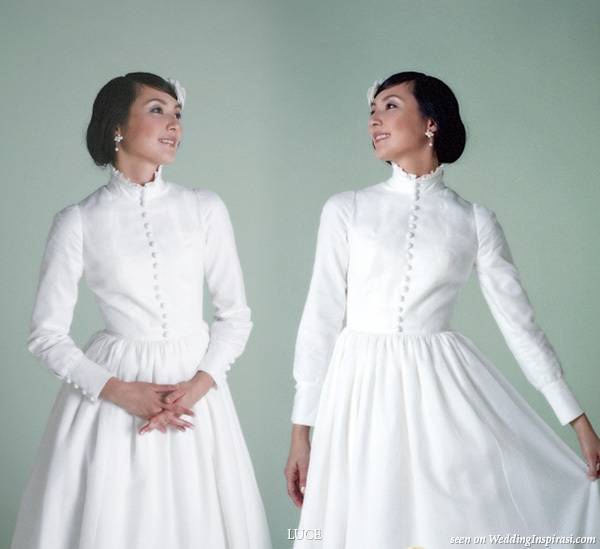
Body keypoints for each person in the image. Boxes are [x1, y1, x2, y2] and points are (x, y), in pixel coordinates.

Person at [284, 71, 600, 548]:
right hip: (358, 396)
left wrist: (577, 421)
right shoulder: (346, 209)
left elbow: (520, 325)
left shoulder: (474, 221)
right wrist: (301, 432)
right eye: (372, 110)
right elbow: (320, 317)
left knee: (457, 524)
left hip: (443, 400)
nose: (374, 120)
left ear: (430, 122)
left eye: (390, 106)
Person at [11, 72, 272, 549]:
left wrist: (198, 387)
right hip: (112, 395)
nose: (174, 124)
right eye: (157, 110)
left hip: (195, 392)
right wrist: (118, 391)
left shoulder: (204, 207)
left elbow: (235, 316)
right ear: (117, 126)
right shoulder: (78, 221)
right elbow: (46, 335)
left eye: (178, 114)